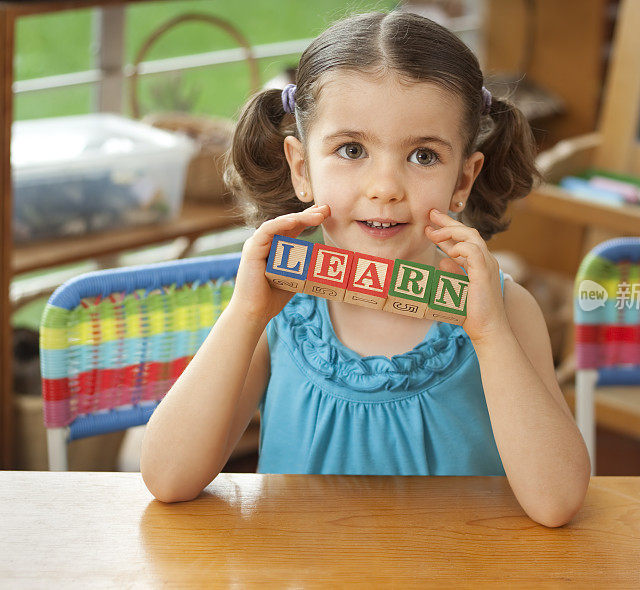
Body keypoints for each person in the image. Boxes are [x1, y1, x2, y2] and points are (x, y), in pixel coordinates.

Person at [140, 10, 590, 527]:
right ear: (302, 169)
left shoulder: (507, 312)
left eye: (423, 156)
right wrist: (245, 315)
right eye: (351, 150)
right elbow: (167, 478)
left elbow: (556, 503)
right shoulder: (275, 313)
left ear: (463, 181)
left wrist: (489, 334)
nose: (385, 187)